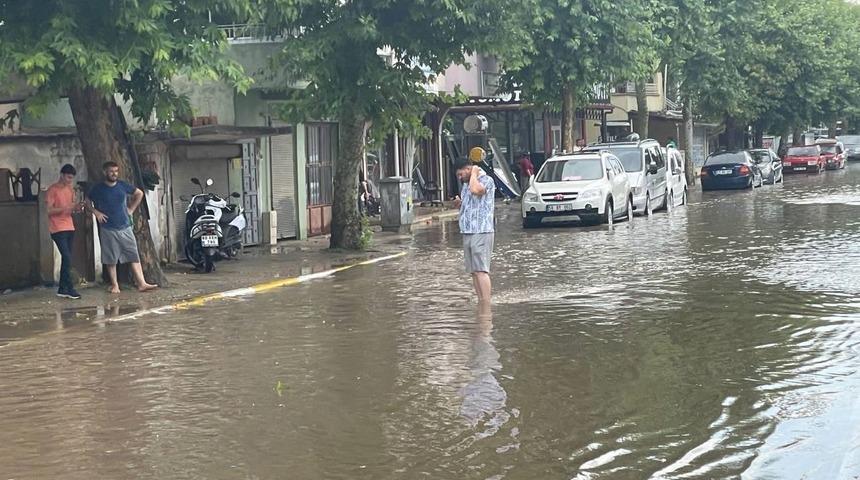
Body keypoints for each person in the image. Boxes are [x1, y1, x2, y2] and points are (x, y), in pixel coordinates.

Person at [87, 161, 158, 294]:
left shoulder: (122, 185)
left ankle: (141, 283)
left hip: (125, 226)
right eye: (111, 171)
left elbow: (139, 193)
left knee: (133, 255)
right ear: (105, 172)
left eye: (116, 171)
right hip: (108, 227)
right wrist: (96, 212)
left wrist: (131, 208)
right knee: (110, 258)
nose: (114, 174)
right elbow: (87, 200)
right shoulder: (98, 188)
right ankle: (115, 285)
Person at [453, 157, 495, 302]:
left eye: (461, 174)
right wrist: (460, 203)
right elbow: (470, 202)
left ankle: (486, 303)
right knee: (474, 271)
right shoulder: (466, 184)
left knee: (481, 270)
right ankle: (480, 301)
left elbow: (476, 190)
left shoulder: (486, 180)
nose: (459, 178)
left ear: (468, 169)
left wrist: (475, 174)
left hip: (481, 230)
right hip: (467, 230)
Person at [46, 164, 84, 299]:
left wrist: (77, 208)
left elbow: (72, 207)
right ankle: (69, 288)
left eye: (71, 178)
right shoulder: (52, 190)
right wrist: (64, 208)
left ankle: (62, 288)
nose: (69, 180)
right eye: (68, 177)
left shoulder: (70, 189)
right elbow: (48, 210)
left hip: (69, 226)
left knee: (67, 258)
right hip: (57, 228)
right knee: (67, 257)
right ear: (61, 175)